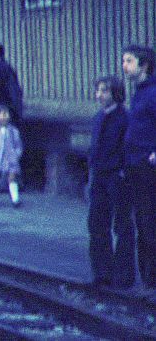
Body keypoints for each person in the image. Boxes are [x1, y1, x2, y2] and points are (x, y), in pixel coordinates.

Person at [87, 75, 135, 289]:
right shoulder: (99, 117)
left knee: (122, 224)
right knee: (97, 222)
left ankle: (123, 275)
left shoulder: (124, 117)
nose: (99, 95)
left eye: (104, 91)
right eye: (97, 91)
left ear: (115, 93)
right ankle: (102, 272)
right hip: (99, 174)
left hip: (116, 175)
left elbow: (127, 146)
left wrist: (122, 170)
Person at [121, 44, 156, 293]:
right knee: (142, 220)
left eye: (129, 61)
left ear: (144, 65)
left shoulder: (152, 93)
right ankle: (147, 278)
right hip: (134, 162)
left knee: (149, 219)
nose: (124, 66)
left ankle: (151, 278)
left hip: (147, 163)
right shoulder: (139, 92)